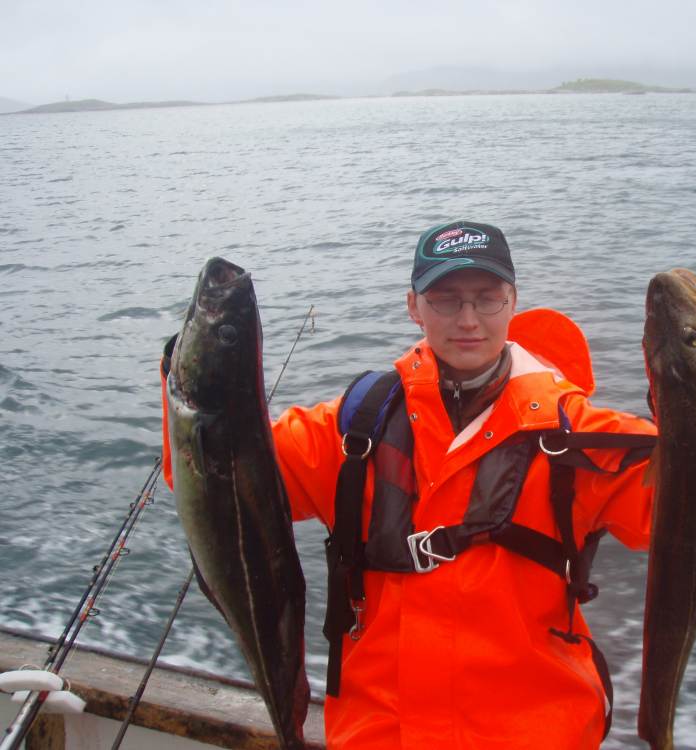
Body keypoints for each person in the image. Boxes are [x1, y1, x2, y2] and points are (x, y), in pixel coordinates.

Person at [171, 220, 657, 749]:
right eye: (445, 300)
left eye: (487, 298)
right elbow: (212, 478)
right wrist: (204, 374)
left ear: (512, 302)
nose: (468, 319)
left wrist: (694, 401)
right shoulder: (356, 426)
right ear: (414, 307)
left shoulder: (578, 434)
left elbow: (676, 506)